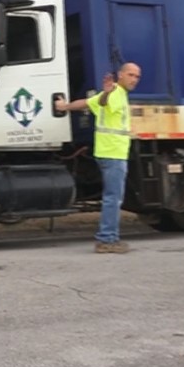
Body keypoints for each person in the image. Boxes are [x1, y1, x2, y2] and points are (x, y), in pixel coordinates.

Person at [55, 63, 142, 254]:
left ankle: (108, 237)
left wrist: (65, 106)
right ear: (120, 75)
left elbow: (86, 103)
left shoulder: (118, 93)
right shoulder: (115, 94)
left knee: (112, 197)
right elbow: (103, 102)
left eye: (137, 76)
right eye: (130, 75)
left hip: (108, 153)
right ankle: (107, 239)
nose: (134, 79)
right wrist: (106, 93)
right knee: (113, 198)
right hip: (113, 154)